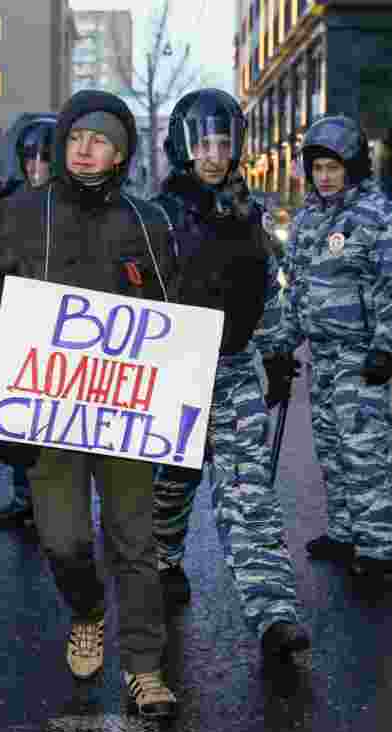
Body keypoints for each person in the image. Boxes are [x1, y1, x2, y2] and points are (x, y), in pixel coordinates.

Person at [0, 90, 179, 718]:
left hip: (126, 415)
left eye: (102, 140)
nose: (86, 149)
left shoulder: (147, 221)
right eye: (77, 136)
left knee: (137, 543)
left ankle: (144, 666)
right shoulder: (15, 217)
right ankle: (86, 611)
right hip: (47, 415)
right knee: (63, 541)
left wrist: (190, 415)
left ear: (121, 153)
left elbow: (175, 319)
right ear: (61, 144)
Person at [148, 88, 311, 659]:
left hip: (236, 367)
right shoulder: (158, 215)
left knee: (248, 496)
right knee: (172, 482)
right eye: (204, 143)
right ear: (183, 147)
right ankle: (165, 559)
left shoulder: (248, 212)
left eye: (224, 142)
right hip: (175, 370)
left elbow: (264, 289)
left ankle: (274, 614)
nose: (215, 155)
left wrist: (275, 350)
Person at [265, 113, 392, 582]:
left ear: (353, 167)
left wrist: (387, 346)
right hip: (323, 356)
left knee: (363, 452)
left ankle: (377, 548)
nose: (325, 176)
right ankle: (344, 532)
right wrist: (281, 344)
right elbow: (295, 290)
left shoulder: (380, 218)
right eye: (318, 168)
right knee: (332, 448)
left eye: (334, 167)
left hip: (361, 356)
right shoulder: (308, 220)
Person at [0, 113, 57, 530]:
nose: (36, 166)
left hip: (61, 327)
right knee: (20, 423)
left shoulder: (73, 205)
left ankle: (60, 507)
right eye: (29, 157)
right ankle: (23, 498)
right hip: (17, 325)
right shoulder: (7, 208)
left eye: (44, 158)